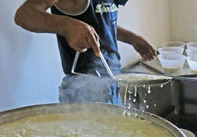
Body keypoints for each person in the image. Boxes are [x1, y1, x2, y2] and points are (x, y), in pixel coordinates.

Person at [14, 0, 156, 104]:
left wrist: (132, 38)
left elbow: (100, 25)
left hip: (111, 85)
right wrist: (68, 26)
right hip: (83, 93)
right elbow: (24, 15)